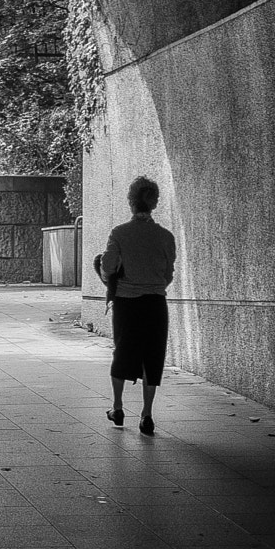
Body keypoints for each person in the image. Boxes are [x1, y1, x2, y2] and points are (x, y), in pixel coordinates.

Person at [99, 174, 176, 435]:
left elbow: (108, 266)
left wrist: (114, 279)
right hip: (155, 302)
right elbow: (168, 274)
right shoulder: (165, 236)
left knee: (123, 352)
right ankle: (146, 416)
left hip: (126, 303)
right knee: (152, 356)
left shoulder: (120, 233)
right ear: (154, 203)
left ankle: (118, 407)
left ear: (131, 201)